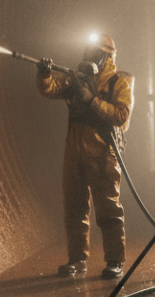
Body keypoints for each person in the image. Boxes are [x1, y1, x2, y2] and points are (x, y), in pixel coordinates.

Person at [37, 35, 134, 279]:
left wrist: (91, 100)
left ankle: (114, 260)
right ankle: (77, 259)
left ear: (108, 57)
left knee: (108, 209)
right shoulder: (76, 79)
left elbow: (121, 115)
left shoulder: (118, 83)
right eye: (89, 52)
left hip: (103, 153)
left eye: (97, 54)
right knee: (74, 208)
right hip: (74, 152)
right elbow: (51, 90)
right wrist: (45, 74)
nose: (91, 58)